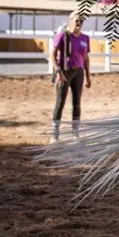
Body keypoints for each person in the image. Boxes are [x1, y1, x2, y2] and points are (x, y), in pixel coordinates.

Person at [49, 10, 91, 143]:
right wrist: (58, 71)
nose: (79, 23)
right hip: (65, 72)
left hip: (79, 73)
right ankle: (55, 134)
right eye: (76, 20)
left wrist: (88, 75)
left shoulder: (85, 38)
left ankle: (75, 132)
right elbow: (52, 55)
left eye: (81, 21)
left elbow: (85, 58)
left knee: (77, 102)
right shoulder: (63, 36)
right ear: (70, 20)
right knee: (60, 101)